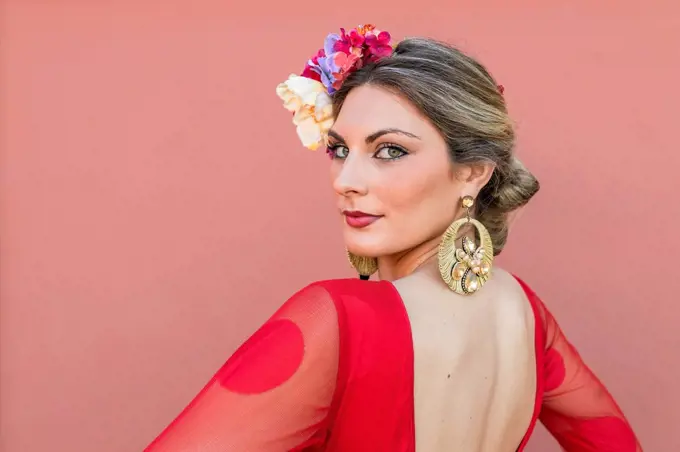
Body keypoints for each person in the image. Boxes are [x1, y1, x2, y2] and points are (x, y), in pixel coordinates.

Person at [144, 25, 641, 451]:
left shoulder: (338, 322)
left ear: (472, 172)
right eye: (339, 150)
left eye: (389, 151)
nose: (346, 180)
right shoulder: (527, 316)